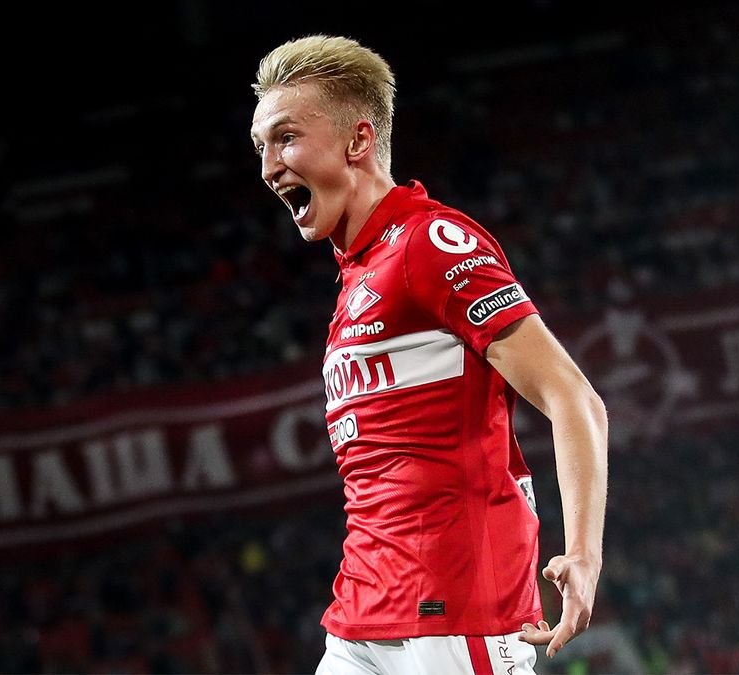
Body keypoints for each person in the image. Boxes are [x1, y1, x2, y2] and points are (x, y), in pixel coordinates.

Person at [249, 34, 609, 675]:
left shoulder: (430, 244)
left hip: (456, 611)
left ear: (358, 141)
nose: (269, 166)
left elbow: (574, 398)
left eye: (286, 138)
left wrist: (583, 554)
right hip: (363, 611)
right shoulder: (358, 274)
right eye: (261, 147)